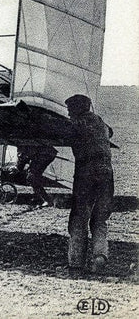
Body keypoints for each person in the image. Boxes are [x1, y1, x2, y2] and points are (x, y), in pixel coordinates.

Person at [64, 94, 114, 275]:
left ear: (77, 109)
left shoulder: (76, 124)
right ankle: (100, 256)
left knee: (78, 217)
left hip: (86, 174)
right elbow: (110, 132)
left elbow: (57, 129)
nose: (68, 114)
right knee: (100, 219)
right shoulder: (99, 122)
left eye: (70, 110)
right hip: (107, 174)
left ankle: (76, 264)